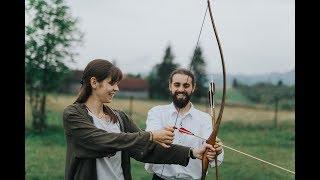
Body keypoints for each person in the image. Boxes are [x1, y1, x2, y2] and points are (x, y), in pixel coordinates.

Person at [62, 59, 218, 180]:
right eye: (112, 83)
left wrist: (191, 153)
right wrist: (150, 136)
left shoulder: (120, 118)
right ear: (94, 82)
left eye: (117, 84)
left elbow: (147, 149)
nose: (117, 88)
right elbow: (101, 140)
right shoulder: (73, 114)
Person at [145, 68, 224, 180]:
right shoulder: (156, 112)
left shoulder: (205, 118)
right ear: (170, 86)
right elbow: (150, 143)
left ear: (193, 87)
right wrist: (160, 137)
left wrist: (215, 152)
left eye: (186, 85)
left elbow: (210, 150)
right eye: (177, 85)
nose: (181, 89)